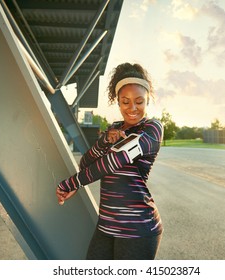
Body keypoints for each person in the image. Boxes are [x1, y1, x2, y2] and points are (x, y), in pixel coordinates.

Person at [56, 62, 163, 260]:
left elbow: (114, 161)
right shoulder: (113, 128)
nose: (132, 108)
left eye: (139, 101)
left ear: (148, 100)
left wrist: (73, 183)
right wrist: (104, 140)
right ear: (118, 101)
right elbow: (86, 163)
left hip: (138, 229)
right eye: (125, 101)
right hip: (106, 224)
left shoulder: (152, 128)